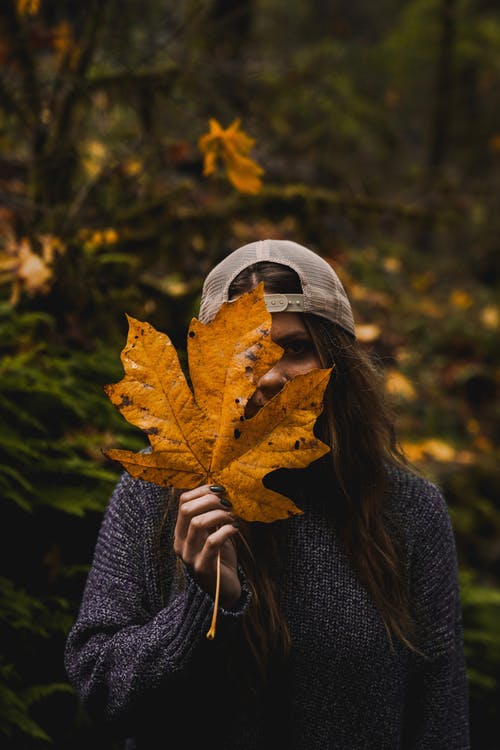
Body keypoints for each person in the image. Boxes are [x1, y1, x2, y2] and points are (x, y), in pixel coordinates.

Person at [64, 239, 470, 749]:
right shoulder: (154, 494)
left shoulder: (408, 512)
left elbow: (440, 722)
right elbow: (101, 690)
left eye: (296, 348)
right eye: (250, 352)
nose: (272, 375)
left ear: (338, 362)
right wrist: (204, 601)